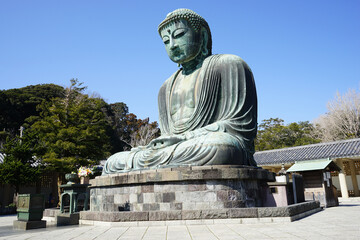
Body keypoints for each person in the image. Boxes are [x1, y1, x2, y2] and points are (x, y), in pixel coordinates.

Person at [102, 8, 257, 175]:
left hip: (209, 144)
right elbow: (167, 135)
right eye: (166, 41)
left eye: (179, 35)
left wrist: (185, 138)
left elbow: (239, 126)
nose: (173, 46)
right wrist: (161, 144)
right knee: (114, 162)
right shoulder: (166, 87)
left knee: (222, 148)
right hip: (178, 149)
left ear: (202, 36)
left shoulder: (229, 65)